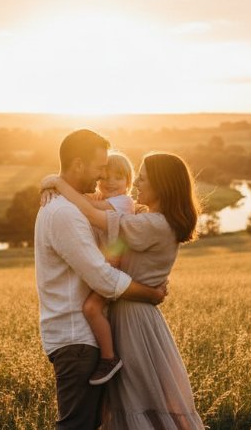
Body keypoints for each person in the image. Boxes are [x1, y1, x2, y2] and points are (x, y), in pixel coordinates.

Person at [41, 151, 205, 430]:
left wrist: (56, 181)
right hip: (129, 312)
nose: (137, 183)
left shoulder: (153, 224)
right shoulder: (151, 219)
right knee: (132, 400)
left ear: (161, 186)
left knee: (137, 400)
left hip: (133, 320)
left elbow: (93, 214)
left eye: (143, 178)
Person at [80, 153, 136, 385]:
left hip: (117, 265)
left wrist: (58, 186)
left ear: (128, 182)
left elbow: (88, 204)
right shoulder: (104, 195)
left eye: (118, 177)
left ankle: (109, 358)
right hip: (108, 264)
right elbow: (86, 196)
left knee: (92, 308)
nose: (111, 182)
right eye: (105, 176)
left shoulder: (124, 201)